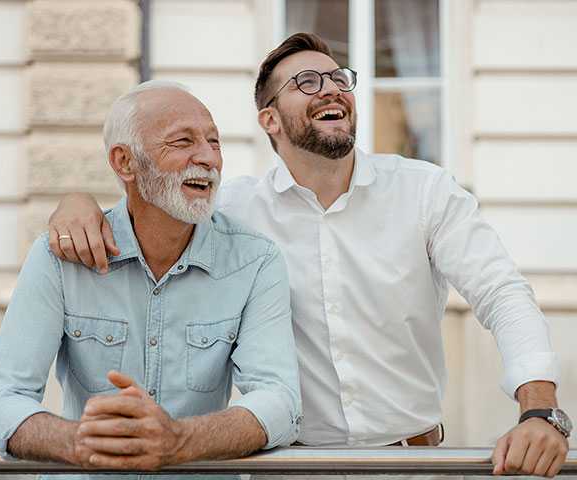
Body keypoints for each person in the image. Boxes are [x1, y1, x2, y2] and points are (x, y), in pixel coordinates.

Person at [48, 34, 571, 477]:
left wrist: (540, 410)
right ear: (270, 121)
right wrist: (75, 203)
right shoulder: (231, 210)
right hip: (288, 467)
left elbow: (502, 293)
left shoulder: (425, 190)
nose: (333, 90)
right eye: (308, 82)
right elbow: (146, 207)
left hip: (413, 464)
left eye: (340, 78)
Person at [0, 81, 302, 474]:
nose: (208, 158)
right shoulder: (59, 257)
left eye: (214, 142)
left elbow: (280, 402)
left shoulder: (255, 261)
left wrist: (178, 441)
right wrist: (80, 443)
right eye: (182, 141)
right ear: (124, 162)